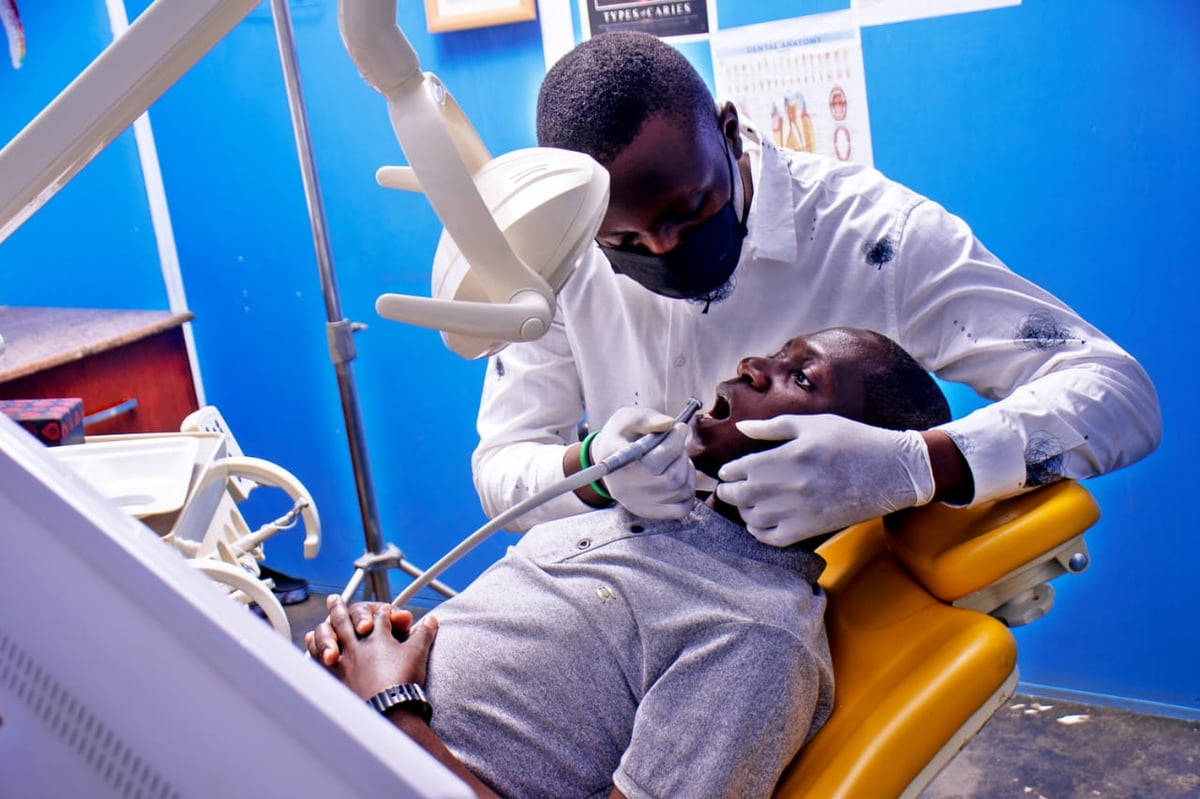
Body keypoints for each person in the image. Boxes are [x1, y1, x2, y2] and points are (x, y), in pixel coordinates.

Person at [471, 31, 1161, 545]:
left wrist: (914, 465)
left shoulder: (875, 237)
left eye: (690, 214)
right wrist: (590, 468)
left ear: (729, 132)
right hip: (612, 590)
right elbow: (501, 465)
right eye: (623, 244)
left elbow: (1117, 393)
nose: (664, 252)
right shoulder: (560, 256)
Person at [310, 327, 952, 799]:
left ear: (848, 468)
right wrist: (373, 645)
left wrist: (390, 707)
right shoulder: (654, 514)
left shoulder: (755, 638)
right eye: (780, 353)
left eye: (801, 378)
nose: (753, 363)